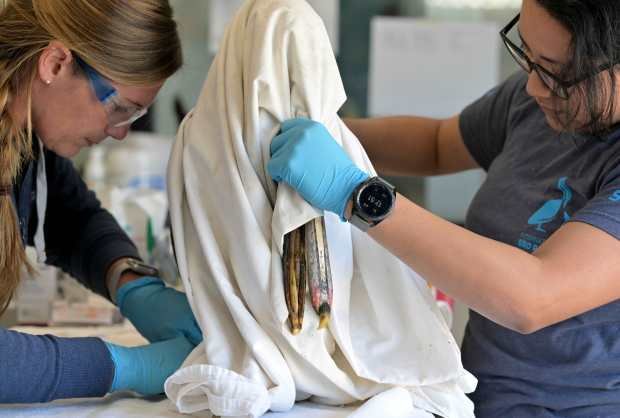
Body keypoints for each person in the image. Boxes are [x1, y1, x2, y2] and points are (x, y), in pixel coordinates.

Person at [268, 0, 620, 416]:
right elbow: (436, 144)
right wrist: (328, 132)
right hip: (480, 397)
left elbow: (532, 296)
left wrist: (355, 193)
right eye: (527, 55)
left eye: (557, 72)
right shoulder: (536, 105)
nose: (533, 87)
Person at [0, 0, 201, 403]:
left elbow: (71, 219)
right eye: (119, 109)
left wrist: (134, 285)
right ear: (55, 63)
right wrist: (119, 367)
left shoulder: (24, 136)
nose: (121, 133)